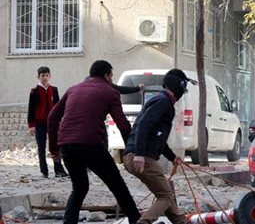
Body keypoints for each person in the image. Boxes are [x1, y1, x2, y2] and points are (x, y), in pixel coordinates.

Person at [48, 60, 141, 224]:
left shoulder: (73, 89)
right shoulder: (110, 92)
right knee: (118, 186)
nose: (112, 80)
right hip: (91, 144)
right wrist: (131, 150)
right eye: (111, 76)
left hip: (67, 145)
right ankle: (138, 221)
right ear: (106, 75)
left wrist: (54, 149)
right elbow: (123, 124)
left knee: (79, 188)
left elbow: (52, 117)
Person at [122, 69, 190, 224]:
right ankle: (144, 222)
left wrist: (173, 158)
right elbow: (143, 126)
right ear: (179, 86)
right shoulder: (163, 101)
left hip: (136, 156)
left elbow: (157, 137)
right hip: (141, 157)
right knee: (166, 195)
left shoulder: (161, 101)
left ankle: (181, 222)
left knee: (164, 193)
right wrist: (139, 154)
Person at [27, 66, 68, 178]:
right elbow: (31, 109)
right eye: (42, 76)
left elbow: (58, 106)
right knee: (41, 147)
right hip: (39, 123)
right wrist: (31, 125)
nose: (44, 78)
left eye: (46, 75)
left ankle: (59, 170)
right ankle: (44, 171)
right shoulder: (34, 91)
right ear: (38, 77)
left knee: (55, 146)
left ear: (50, 76)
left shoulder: (53, 90)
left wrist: (60, 120)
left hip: (53, 123)